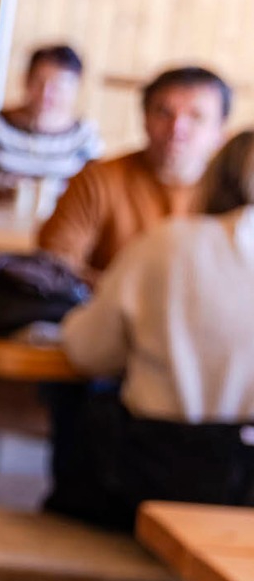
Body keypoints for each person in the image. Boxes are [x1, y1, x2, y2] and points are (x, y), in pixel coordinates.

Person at [44, 130, 254, 531]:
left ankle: (60, 530)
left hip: (162, 476)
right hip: (247, 494)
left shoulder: (168, 243)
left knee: (76, 397)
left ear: (212, 179)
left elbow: (88, 352)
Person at [36, 65, 229, 279]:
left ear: (220, 131)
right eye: (164, 113)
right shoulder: (96, 180)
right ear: (144, 118)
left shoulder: (234, 197)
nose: (177, 128)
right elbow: (55, 266)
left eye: (196, 117)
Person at [0, 43, 103, 202]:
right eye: (39, 82)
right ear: (25, 80)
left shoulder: (84, 136)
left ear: (75, 88)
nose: (46, 94)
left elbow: (93, 198)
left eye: (57, 87)